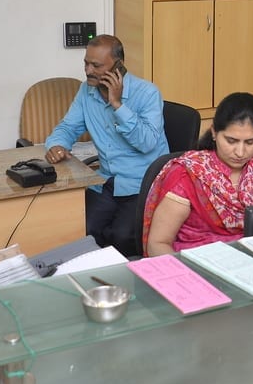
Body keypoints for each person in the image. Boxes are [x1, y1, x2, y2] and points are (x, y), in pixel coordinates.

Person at [45, 35, 167, 256]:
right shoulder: (86, 91)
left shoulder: (148, 93)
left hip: (143, 183)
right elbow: (68, 127)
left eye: (96, 65)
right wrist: (57, 144)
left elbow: (147, 143)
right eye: (86, 63)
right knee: (82, 229)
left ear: (118, 66)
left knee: (121, 237)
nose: (88, 71)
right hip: (106, 180)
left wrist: (117, 105)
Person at [142, 92, 253, 255]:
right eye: (231, 141)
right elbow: (157, 243)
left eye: (250, 142)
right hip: (196, 263)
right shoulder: (189, 175)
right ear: (214, 132)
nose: (240, 152)